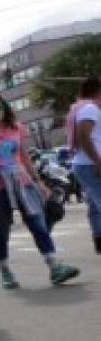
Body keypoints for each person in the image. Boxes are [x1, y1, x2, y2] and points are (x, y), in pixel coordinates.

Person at [0, 94, 78, 289]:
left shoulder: (16, 128)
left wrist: (39, 182)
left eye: (0, 107)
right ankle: (5, 271)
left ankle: (55, 267)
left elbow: (24, 156)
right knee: (1, 231)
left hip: (21, 181)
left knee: (37, 223)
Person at [67, 77, 101, 254]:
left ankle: (99, 237)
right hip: (90, 164)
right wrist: (97, 160)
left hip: (87, 163)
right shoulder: (90, 108)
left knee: (96, 204)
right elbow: (84, 136)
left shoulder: (83, 107)